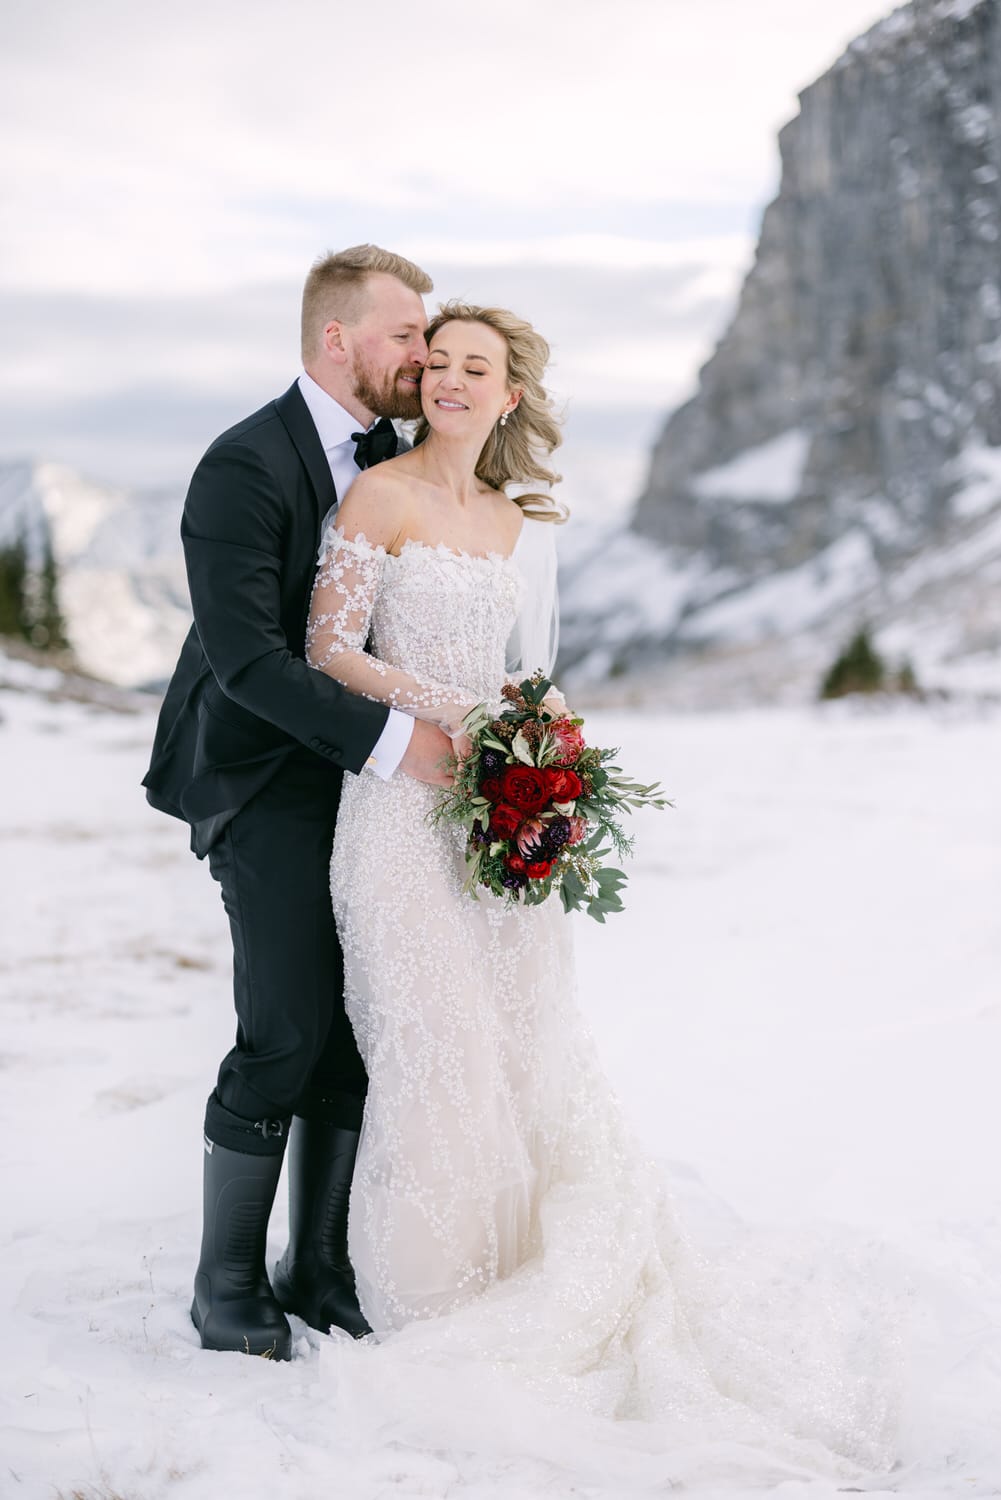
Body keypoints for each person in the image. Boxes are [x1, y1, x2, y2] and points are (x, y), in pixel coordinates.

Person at [303, 302, 899, 1483]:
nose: (454, 382)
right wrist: (455, 712)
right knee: (440, 1048)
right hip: (393, 815)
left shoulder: (521, 525)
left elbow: (530, 670)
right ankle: (423, 1305)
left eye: (478, 368)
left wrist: (539, 734)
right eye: (438, 365)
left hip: (492, 819)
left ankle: (522, 1277)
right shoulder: (380, 499)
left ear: (510, 393)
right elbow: (328, 648)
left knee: (522, 1047)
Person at [142, 245, 454, 1361]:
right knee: (283, 1026)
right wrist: (394, 743)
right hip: (259, 771)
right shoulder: (243, 465)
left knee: (356, 1027)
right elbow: (246, 661)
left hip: (359, 783)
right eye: (406, 334)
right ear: (338, 338)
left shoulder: (407, 456)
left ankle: (314, 1263)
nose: (422, 355)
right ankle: (223, 1283)